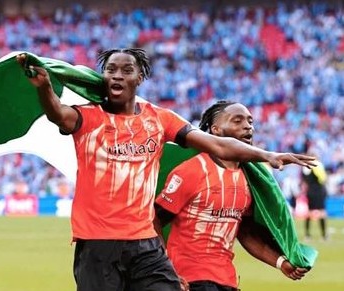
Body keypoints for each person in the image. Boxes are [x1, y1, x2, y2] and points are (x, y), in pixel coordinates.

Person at [16, 49, 314, 291]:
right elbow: (58, 115)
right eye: (110, 69)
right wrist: (45, 89)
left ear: (140, 77)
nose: (117, 75)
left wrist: (267, 155)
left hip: (144, 243)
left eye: (126, 70)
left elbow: (219, 146)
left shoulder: (160, 120)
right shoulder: (87, 118)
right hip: (97, 245)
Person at [154, 100, 309, 291]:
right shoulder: (192, 171)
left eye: (250, 122)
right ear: (215, 130)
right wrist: (165, 270)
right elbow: (155, 220)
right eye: (237, 121)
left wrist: (280, 262)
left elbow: (244, 232)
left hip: (227, 280)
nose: (247, 126)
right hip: (189, 279)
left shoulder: (249, 178)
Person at [301, 150, 329, 241]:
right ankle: (324, 235)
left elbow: (304, 181)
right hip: (319, 190)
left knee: (309, 212)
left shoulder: (305, 166)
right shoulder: (318, 165)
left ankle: (307, 235)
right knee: (322, 212)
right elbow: (323, 178)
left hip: (310, 191)